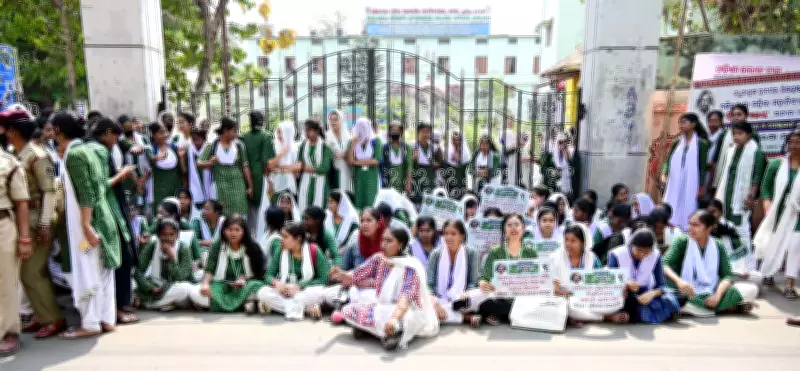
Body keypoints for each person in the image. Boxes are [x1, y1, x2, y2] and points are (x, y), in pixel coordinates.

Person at [51, 111, 120, 339]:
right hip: (100, 220)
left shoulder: (77, 154)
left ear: (58, 131)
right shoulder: (86, 150)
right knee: (102, 272)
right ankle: (107, 320)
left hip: (89, 225)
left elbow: (87, 193)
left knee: (88, 270)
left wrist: (86, 225)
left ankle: (90, 323)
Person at [4, 109, 65, 338]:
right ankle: (42, 315)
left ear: (15, 132)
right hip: (26, 219)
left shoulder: (37, 156)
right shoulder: (19, 155)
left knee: (32, 272)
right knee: (31, 272)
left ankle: (53, 319)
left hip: (38, 217)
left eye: (8, 130)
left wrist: (45, 224)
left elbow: (49, 192)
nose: (5, 134)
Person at [338, 227, 439, 350]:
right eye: (383, 240)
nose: (383, 245)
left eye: (389, 241)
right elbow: (358, 274)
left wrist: (394, 318)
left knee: (404, 320)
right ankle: (385, 332)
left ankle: (387, 331)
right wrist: (342, 275)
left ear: (400, 244)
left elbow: (405, 299)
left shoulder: (410, 268)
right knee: (348, 309)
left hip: (404, 311)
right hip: (382, 306)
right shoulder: (379, 259)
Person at [88, 118, 141, 326]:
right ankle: (117, 307)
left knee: (123, 258)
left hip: (113, 209)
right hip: (108, 211)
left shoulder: (96, 148)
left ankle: (120, 304)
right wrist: (123, 174)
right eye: (115, 137)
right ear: (108, 133)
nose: (116, 142)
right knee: (120, 260)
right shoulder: (99, 151)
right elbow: (102, 185)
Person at [662, 210, 758, 317]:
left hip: (711, 291)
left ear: (709, 229)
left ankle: (697, 309)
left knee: (751, 289)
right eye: (689, 224)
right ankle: (726, 308)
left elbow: (727, 276)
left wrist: (717, 296)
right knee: (666, 291)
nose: (690, 228)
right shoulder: (682, 241)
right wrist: (679, 281)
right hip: (684, 290)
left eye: (696, 225)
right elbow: (664, 264)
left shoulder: (718, 245)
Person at [455, 214, 538, 325]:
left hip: (522, 298)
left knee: (534, 302)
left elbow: (537, 279)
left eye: (516, 225)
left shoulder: (531, 252)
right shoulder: (495, 251)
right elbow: (485, 276)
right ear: (504, 229)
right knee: (479, 297)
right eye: (509, 225)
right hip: (499, 296)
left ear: (523, 228)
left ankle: (493, 313)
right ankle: (503, 313)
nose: (513, 228)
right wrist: (482, 282)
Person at [0, 109, 32, 354]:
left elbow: (22, 203)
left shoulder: (9, 164)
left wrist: (24, 238)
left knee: (6, 284)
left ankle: (9, 332)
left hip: (4, 227)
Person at [755, 129, 800, 297]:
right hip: (778, 212)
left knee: (795, 246)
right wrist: (767, 204)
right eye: (792, 142)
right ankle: (769, 272)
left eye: (798, 142)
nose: (794, 145)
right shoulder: (777, 164)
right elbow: (766, 187)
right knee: (773, 243)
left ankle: (789, 284)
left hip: (797, 214)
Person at [189, 215, 266, 312]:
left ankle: (236, 303)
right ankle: (246, 303)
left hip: (246, 286)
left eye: (237, 230)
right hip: (222, 284)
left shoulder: (252, 247)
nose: (233, 233)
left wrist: (244, 279)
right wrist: (205, 285)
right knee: (194, 293)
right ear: (224, 231)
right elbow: (210, 269)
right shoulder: (218, 245)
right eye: (229, 229)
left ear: (244, 232)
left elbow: (259, 273)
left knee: (260, 289)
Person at [256, 221, 331, 320]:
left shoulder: (314, 250)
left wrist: (299, 287)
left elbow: (323, 279)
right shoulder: (281, 250)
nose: (281, 240)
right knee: (262, 292)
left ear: (297, 239)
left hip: (304, 291)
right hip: (285, 291)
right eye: (281, 236)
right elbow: (268, 275)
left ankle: (279, 307)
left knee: (320, 292)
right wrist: (276, 283)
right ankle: (306, 310)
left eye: (285, 237)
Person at [714, 121, 765, 259]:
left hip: (742, 198)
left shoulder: (757, 152)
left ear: (748, 134)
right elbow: (726, 173)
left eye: (740, 133)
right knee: (725, 227)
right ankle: (729, 261)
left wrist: (751, 196)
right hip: (727, 195)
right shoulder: (731, 151)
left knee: (742, 230)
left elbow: (757, 177)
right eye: (734, 134)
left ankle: (746, 264)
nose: (736, 137)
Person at [607, 228, 680, 324]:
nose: (642, 255)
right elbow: (610, 283)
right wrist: (625, 285)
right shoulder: (616, 254)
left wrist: (652, 294)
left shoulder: (655, 255)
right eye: (639, 250)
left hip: (647, 293)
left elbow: (662, 284)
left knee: (673, 298)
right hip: (625, 296)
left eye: (647, 252)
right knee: (631, 303)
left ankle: (637, 313)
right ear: (631, 245)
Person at [552, 224, 609, 326]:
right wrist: (563, 292)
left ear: (583, 243)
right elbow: (551, 286)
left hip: (587, 298)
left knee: (611, 298)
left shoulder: (592, 258)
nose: (568, 244)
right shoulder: (555, 257)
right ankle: (606, 317)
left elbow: (600, 280)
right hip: (563, 298)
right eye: (566, 240)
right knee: (568, 306)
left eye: (573, 241)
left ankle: (574, 318)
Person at [662, 113, 710, 231]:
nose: (681, 125)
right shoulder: (676, 142)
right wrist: (664, 173)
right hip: (675, 180)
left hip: (691, 181)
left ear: (693, 124)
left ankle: (686, 228)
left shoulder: (701, 144)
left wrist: (701, 186)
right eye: (680, 123)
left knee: (688, 204)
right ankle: (671, 226)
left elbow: (702, 167)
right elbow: (668, 160)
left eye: (684, 122)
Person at [133, 218, 195, 311]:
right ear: (158, 235)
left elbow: (180, 277)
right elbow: (137, 272)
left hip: (176, 287)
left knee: (184, 289)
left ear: (177, 235)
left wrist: (171, 258)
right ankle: (166, 303)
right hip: (155, 285)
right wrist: (150, 288)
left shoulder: (183, 248)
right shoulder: (153, 245)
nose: (168, 238)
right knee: (130, 285)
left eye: (171, 235)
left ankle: (147, 303)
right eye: (164, 235)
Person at [428, 219, 481, 326]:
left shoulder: (471, 253)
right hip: (440, 297)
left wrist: (467, 292)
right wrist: (433, 300)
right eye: (446, 234)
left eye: (453, 234)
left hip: (463, 299)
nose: (449, 237)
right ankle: (465, 318)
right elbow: (430, 283)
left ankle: (441, 314)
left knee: (483, 294)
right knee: (425, 304)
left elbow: (473, 281)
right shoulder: (436, 253)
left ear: (461, 236)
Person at [198, 118, 253, 217]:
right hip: (220, 187)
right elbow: (199, 163)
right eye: (234, 131)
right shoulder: (212, 145)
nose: (236, 134)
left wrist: (250, 186)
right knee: (222, 214)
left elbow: (245, 166)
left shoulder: (239, 145)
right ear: (225, 131)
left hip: (238, 187)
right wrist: (210, 162)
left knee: (240, 214)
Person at [707, 199, 762, 285]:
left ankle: (729, 285)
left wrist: (742, 270)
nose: (711, 215)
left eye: (714, 212)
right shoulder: (703, 228)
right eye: (709, 212)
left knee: (758, 277)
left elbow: (740, 251)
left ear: (721, 212)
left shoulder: (729, 226)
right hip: (712, 270)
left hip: (732, 268)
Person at [239, 111, 274, 231]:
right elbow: (266, 160)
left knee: (250, 206)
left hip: (246, 174)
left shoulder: (244, 136)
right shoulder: (266, 136)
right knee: (262, 205)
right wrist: (268, 177)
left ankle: (250, 231)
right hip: (260, 175)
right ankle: (261, 232)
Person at [712, 104, 760, 190]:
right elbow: (716, 159)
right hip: (724, 178)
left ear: (746, 116)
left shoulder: (753, 135)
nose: (736, 117)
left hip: (745, 178)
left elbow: (756, 161)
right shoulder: (723, 135)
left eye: (739, 114)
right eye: (733, 115)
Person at [145, 121, 185, 216]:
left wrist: (181, 157)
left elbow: (182, 170)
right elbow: (151, 159)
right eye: (161, 132)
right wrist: (158, 157)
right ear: (153, 135)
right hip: (158, 191)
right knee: (161, 214)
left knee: (176, 213)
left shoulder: (174, 147)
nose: (164, 135)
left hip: (175, 188)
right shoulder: (150, 148)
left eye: (165, 132)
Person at [296, 118, 333, 209]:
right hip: (305, 182)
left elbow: (324, 169)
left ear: (316, 131)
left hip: (321, 183)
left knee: (319, 209)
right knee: (304, 207)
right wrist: (298, 170)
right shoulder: (303, 145)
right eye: (305, 130)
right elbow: (299, 162)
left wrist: (303, 168)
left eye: (309, 130)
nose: (306, 133)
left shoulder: (325, 146)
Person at [348, 117, 382, 209]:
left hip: (372, 176)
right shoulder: (353, 142)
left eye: (364, 127)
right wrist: (353, 144)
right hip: (359, 176)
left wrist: (357, 162)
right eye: (359, 127)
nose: (361, 130)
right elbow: (350, 161)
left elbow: (376, 160)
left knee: (371, 200)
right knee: (359, 199)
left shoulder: (375, 141)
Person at [411, 122, 443, 204]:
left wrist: (435, 164)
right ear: (418, 132)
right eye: (423, 131)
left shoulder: (435, 148)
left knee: (429, 201)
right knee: (417, 201)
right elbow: (407, 164)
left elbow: (441, 164)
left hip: (430, 179)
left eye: (428, 132)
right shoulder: (412, 146)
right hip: (417, 179)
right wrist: (413, 159)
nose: (426, 134)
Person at [540, 133, 580, 198]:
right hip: (554, 179)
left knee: (566, 195)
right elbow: (545, 167)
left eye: (564, 141)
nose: (562, 144)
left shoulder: (571, 151)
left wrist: (565, 151)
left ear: (567, 142)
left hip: (567, 179)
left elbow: (571, 163)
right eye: (560, 142)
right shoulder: (553, 152)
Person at [268, 120, 298, 203]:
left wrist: (279, 169)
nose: (279, 136)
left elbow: (297, 168)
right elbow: (270, 166)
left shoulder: (295, 148)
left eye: (281, 133)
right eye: (277, 133)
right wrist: (282, 153)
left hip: (290, 184)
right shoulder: (274, 146)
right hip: (275, 185)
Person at [382, 121, 413, 195]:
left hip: (402, 183)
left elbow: (409, 166)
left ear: (401, 132)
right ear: (389, 132)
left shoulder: (406, 147)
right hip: (388, 183)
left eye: (397, 131)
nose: (395, 133)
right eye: (393, 130)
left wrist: (408, 183)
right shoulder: (384, 147)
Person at [325, 109, 352, 193]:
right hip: (333, 170)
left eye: (335, 120)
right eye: (331, 120)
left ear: (341, 120)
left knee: (346, 193)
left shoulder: (348, 136)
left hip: (347, 169)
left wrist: (346, 154)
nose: (333, 122)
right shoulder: (326, 136)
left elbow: (353, 152)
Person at [186, 126, 212, 210]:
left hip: (209, 186)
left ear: (204, 138)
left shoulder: (209, 148)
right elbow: (184, 170)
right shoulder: (189, 149)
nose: (195, 142)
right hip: (194, 188)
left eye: (198, 139)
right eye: (193, 139)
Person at [444, 131, 471, 199]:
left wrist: (458, 159)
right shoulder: (448, 150)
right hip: (450, 180)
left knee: (460, 196)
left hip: (461, 180)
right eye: (453, 139)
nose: (455, 141)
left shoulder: (465, 152)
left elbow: (466, 165)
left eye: (457, 139)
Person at [706, 110, 727, 193]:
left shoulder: (724, 135)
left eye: (716, 121)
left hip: (717, 170)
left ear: (721, 122)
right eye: (710, 121)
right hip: (705, 171)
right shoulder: (705, 136)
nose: (712, 123)